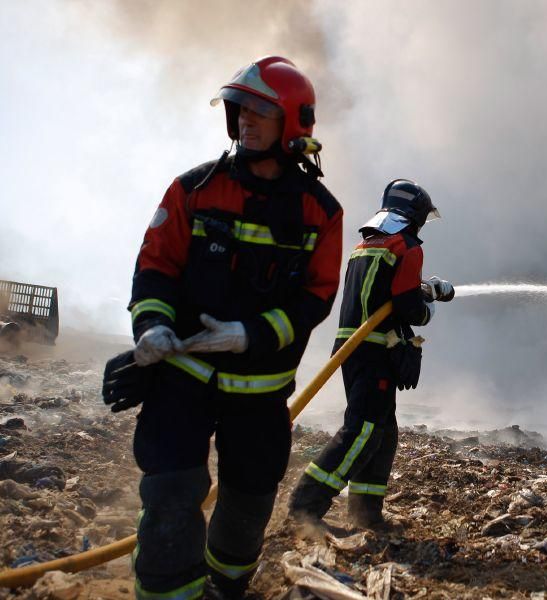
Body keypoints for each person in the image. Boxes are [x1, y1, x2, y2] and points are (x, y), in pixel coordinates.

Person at [109, 56, 342, 600]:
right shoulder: (193, 190)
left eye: (261, 112)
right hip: (182, 382)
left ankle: (227, 588)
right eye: (240, 110)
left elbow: (318, 296)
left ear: (293, 124)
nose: (245, 122)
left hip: (260, 398)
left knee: (249, 503)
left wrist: (251, 334)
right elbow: (155, 268)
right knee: (170, 492)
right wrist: (153, 327)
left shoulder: (319, 213)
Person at [289, 179, 454, 530]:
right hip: (376, 350)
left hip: (356, 349)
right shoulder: (407, 246)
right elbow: (408, 307)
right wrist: (429, 308)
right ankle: (306, 506)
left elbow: (383, 294)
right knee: (363, 430)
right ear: (414, 215)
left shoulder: (367, 244)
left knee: (383, 431)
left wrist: (425, 289)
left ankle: (366, 514)